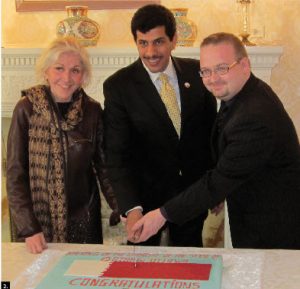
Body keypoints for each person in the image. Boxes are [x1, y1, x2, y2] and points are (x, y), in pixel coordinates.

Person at [131, 32, 300, 249]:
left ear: (245, 64)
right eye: (206, 71)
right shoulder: (244, 93)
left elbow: (219, 180)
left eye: (222, 68)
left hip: (273, 232)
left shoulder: (253, 116)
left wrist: (162, 215)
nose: (212, 79)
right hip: (259, 218)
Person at [103, 4, 217, 247]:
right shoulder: (118, 86)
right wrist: (131, 207)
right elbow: (116, 154)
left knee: (190, 271)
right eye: (143, 43)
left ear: (174, 40)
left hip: (192, 196)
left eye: (158, 42)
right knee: (144, 275)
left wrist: (215, 186)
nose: (150, 52)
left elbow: (211, 133)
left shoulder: (198, 73)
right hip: (144, 202)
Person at [6, 37, 120, 254]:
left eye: (75, 70)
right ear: (46, 71)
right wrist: (29, 228)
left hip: (83, 219)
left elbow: (105, 168)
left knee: (83, 278)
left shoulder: (93, 111)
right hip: (37, 225)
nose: (66, 78)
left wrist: (123, 208)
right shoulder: (26, 108)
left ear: (83, 76)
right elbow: (15, 174)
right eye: (59, 68)